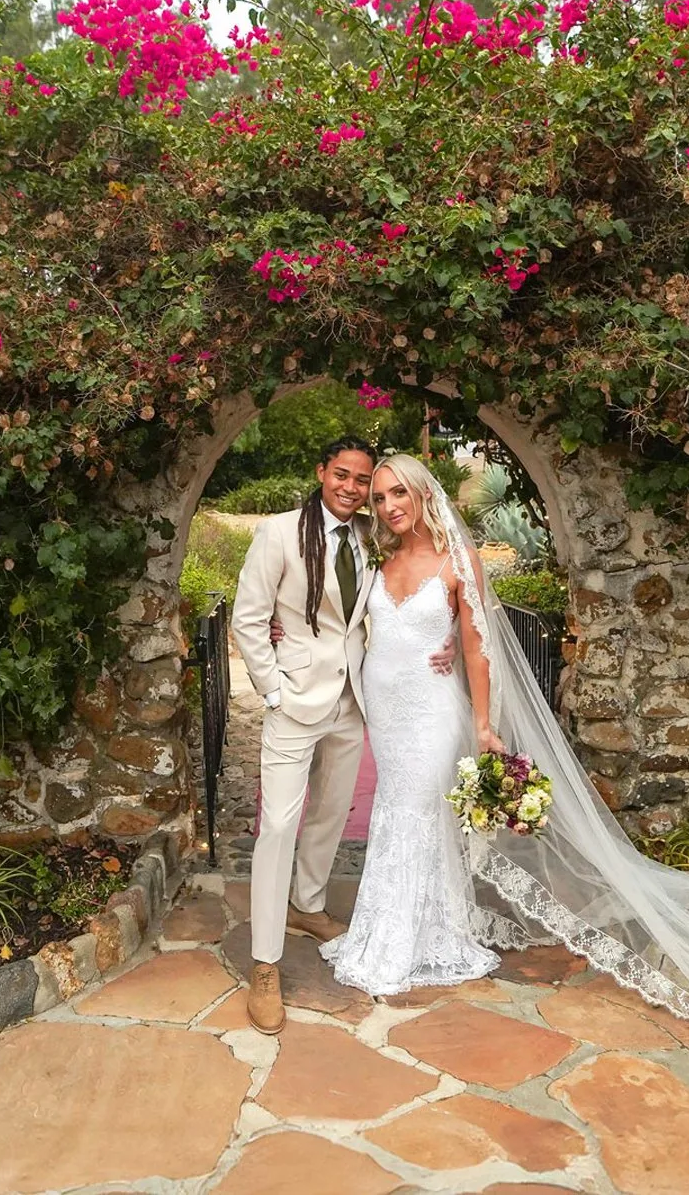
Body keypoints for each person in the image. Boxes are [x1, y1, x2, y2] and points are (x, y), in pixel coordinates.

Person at [311, 452, 689, 1055]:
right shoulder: (379, 560)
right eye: (379, 498)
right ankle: (392, 925)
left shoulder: (459, 563)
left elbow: (478, 647)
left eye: (396, 493)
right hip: (385, 703)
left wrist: (483, 725)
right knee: (395, 809)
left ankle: (418, 938)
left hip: (431, 710)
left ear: (423, 494)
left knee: (420, 811)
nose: (388, 506)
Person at [228, 437, 453, 1035]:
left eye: (364, 482)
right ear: (321, 472)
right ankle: (266, 964)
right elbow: (248, 617)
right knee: (279, 825)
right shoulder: (278, 532)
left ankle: (307, 904)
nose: (354, 489)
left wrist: (450, 637)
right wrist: (272, 691)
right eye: (344, 476)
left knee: (330, 813)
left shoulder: (369, 539)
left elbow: (412, 603)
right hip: (294, 701)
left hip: (353, 701)